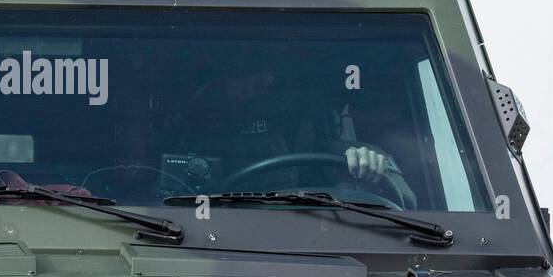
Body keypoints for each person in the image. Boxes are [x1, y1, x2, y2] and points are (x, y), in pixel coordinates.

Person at [165, 64, 416, 206]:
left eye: (288, 126)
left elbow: (407, 205)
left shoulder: (339, 160)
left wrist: (364, 178)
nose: (268, 142)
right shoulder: (204, 155)